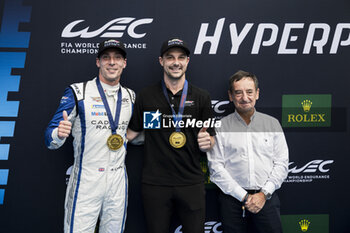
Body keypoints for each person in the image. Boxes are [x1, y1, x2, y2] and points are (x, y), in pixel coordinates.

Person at [45, 39, 135, 233]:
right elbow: (50, 138)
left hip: (118, 178)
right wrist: (58, 134)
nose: (112, 62)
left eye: (117, 58)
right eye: (106, 58)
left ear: (124, 63)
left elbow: (133, 134)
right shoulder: (78, 92)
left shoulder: (131, 96)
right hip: (87, 178)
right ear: (98, 62)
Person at [127, 38, 215, 233]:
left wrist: (208, 142)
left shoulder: (201, 96)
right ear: (161, 61)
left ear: (187, 61)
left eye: (181, 57)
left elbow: (211, 139)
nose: (176, 62)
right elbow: (130, 134)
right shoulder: (146, 95)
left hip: (191, 181)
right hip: (155, 183)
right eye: (170, 57)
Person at [207, 70, 289, 233]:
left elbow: (281, 164)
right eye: (238, 93)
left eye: (249, 92)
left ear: (257, 94)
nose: (245, 97)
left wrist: (263, 194)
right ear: (231, 96)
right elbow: (216, 169)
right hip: (232, 202)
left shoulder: (272, 124)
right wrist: (244, 197)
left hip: (266, 199)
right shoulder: (220, 126)